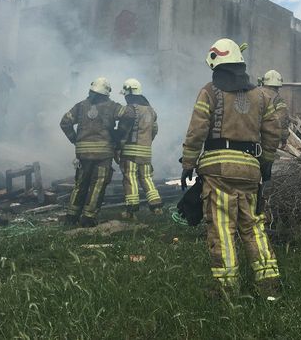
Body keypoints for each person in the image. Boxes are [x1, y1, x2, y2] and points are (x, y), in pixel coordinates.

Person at [181, 38, 282, 297]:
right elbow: (272, 132)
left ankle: (226, 287)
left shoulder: (209, 91)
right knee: (253, 225)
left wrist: (189, 163)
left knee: (222, 227)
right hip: (250, 170)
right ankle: (268, 282)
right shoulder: (261, 96)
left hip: (217, 171)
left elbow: (197, 131)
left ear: (217, 64)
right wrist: (266, 163)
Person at [60, 77, 131, 227]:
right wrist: (119, 134)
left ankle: (71, 217)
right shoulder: (112, 106)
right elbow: (129, 115)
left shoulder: (80, 106)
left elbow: (65, 122)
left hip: (83, 154)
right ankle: (88, 217)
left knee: (80, 184)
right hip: (103, 154)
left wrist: (75, 140)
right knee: (97, 184)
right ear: (106, 93)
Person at [118, 78, 163, 218]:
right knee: (146, 178)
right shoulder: (150, 110)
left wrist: (119, 147)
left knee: (130, 178)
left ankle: (131, 211)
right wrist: (146, 143)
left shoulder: (130, 110)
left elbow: (123, 131)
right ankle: (156, 207)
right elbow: (154, 130)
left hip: (130, 153)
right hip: (146, 152)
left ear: (129, 92)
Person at [259, 70, 290, 149]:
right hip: (268, 137)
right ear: (278, 85)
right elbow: (282, 119)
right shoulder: (278, 99)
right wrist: (284, 138)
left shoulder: (254, 94)